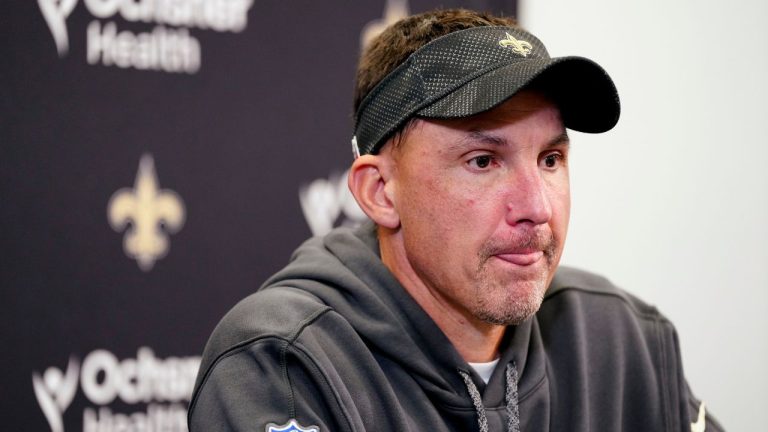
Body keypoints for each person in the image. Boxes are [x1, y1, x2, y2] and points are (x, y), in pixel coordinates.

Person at [188, 9, 724, 432]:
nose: (537, 207)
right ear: (380, 192)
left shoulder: (624, 338)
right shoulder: (283, 364)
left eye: (551, 160)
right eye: (484, 161)